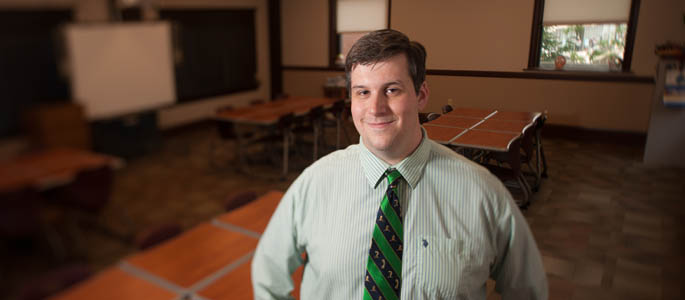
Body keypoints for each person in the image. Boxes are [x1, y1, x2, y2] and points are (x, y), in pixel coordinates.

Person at [252, 29, 548, 299]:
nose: (376, 108)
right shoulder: (314, 183)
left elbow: (528, 290)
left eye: (392, 90)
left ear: (421, 95)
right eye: (363, 92)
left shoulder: (482, 192)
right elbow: (268, 272)